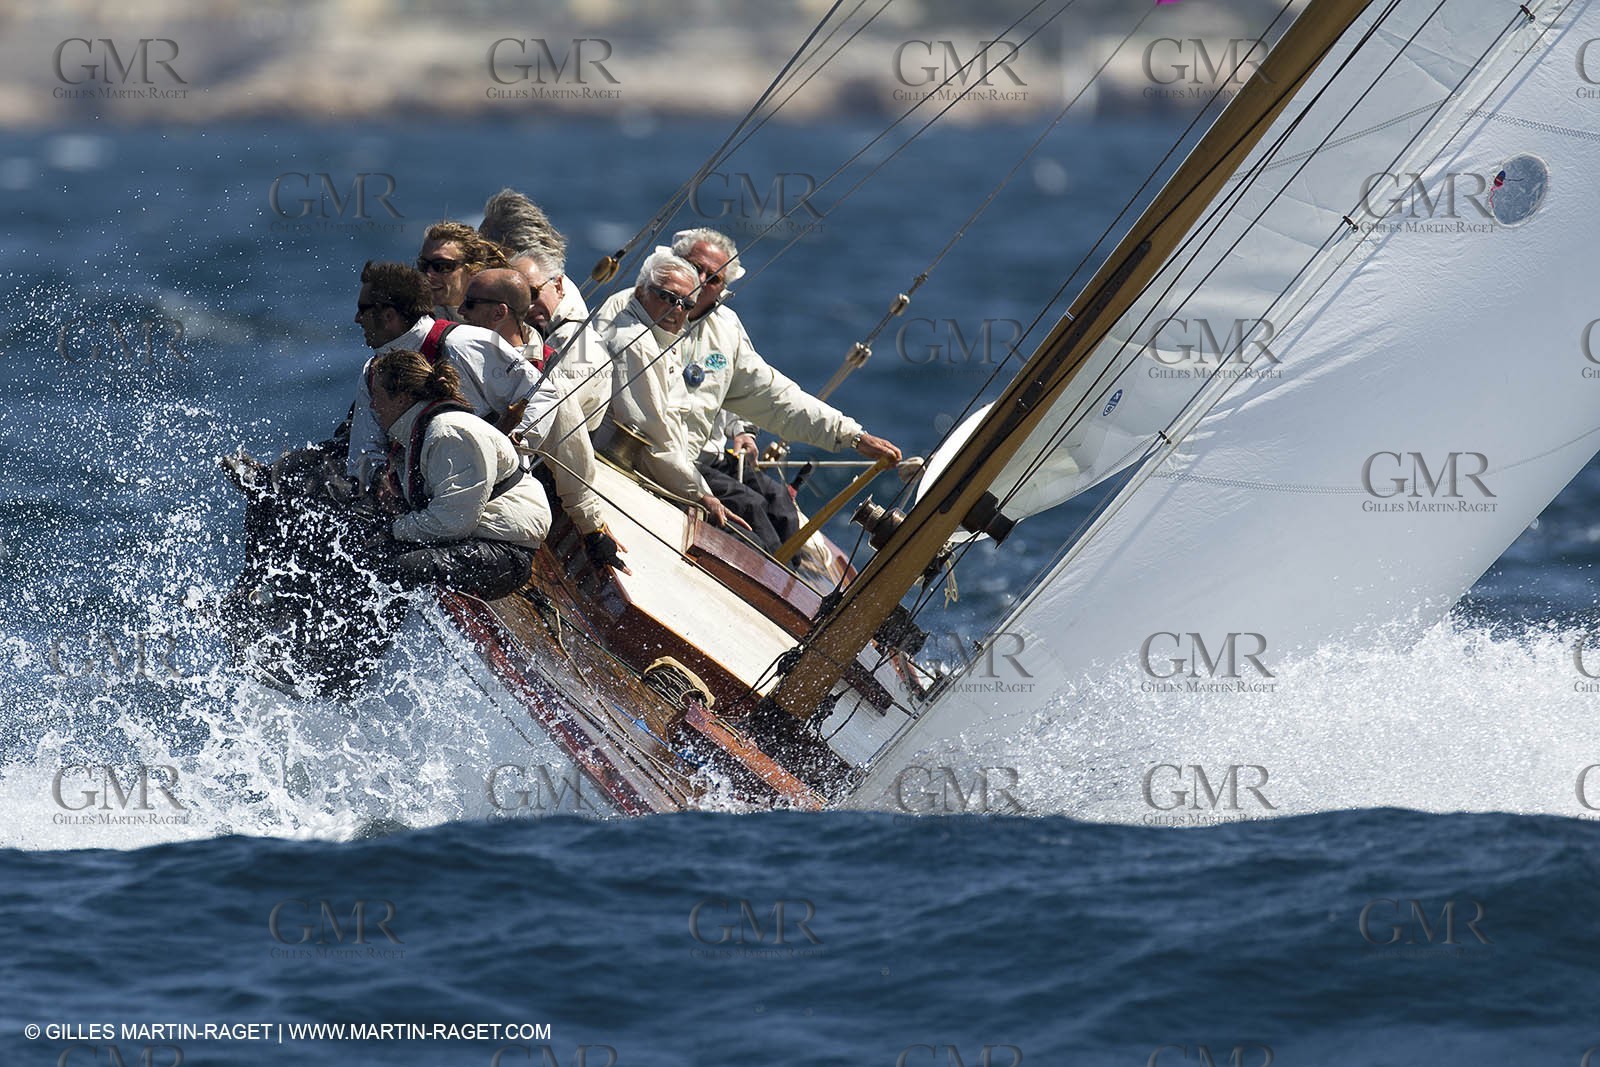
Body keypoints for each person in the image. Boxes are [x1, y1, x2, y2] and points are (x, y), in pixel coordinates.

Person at [595, 228, 902, 553]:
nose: (699, 280)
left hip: (703, 461)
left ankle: (790, 585)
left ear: (724, 288)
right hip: (654, 463)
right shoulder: (634, 311)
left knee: (779, 505)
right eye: (693, 266)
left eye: (712, 278)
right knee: (752, 512)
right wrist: (697, 493)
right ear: (671, 262)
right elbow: (648, 421)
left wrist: (851, 435)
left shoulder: (724, 329)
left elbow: (773, 396)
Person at [457, 268, 629, 574]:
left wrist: (593, 532)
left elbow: (570, 456)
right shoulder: (457, 347)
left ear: (499, 313)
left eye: (469, 304)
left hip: (489, 504)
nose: (459, 311)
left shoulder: (546, 380)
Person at [349, 260, 560, 490]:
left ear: (389, 315)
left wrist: (515, 441)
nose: (357, 319)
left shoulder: (466, 343)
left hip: (498, 492)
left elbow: (542, 394)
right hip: (423, 500)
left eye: (363, 309)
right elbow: (364, 451)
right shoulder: (372, 373)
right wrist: (380, 480)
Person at [364, 349, 547, 597]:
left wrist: (393, 528)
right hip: (475, 539)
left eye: (378, 396)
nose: (373, 406)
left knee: (394, 566)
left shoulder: (450, 433)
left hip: (504, 554)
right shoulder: (424, 430)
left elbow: (453, 523)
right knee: (362, 533)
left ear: (402, 398)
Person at [598, 250, 751, 535]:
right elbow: (652, 436)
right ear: (642, 291)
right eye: (668, 298)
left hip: (666, 471)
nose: (677, 309)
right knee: (741, 528)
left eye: (686, 304)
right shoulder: (636, 344)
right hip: (631, 471)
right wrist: (701, 495)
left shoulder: (660, 339)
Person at [510, 247, 611, 432]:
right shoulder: (547, 335)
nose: (528, 305)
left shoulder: (577, 341)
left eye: (533, 293)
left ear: (558, 286)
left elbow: (559, 413)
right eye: (519, 298)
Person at [416, 221, 509, 318]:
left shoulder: (497, 319)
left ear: (474, 269)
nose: (428, 274)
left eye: (442, 266)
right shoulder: (409, 322)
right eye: (424, 264)